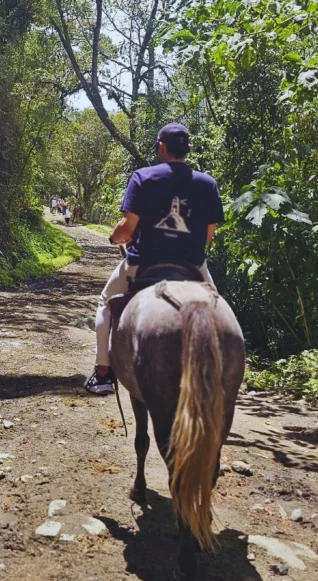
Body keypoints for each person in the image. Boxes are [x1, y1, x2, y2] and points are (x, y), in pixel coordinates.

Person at [84, 123, 223, 395]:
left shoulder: (143, 177)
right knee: (220, 310)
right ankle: (222, 372)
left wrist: (114, 239)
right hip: (193, 264)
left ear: (161, 146)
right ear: (188, 149)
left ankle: (103, 372)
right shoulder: (207, 184)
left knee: (104, 303)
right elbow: (208, 236)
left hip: (143, 262)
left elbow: (127, 227)